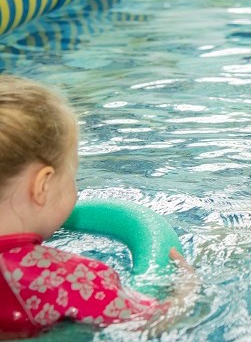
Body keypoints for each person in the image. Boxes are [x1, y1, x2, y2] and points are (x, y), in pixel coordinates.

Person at [0, 76, 198, 339]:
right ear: (43, 186)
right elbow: (154, 320)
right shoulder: (68, 279)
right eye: (71, 176)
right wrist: (186, 292)